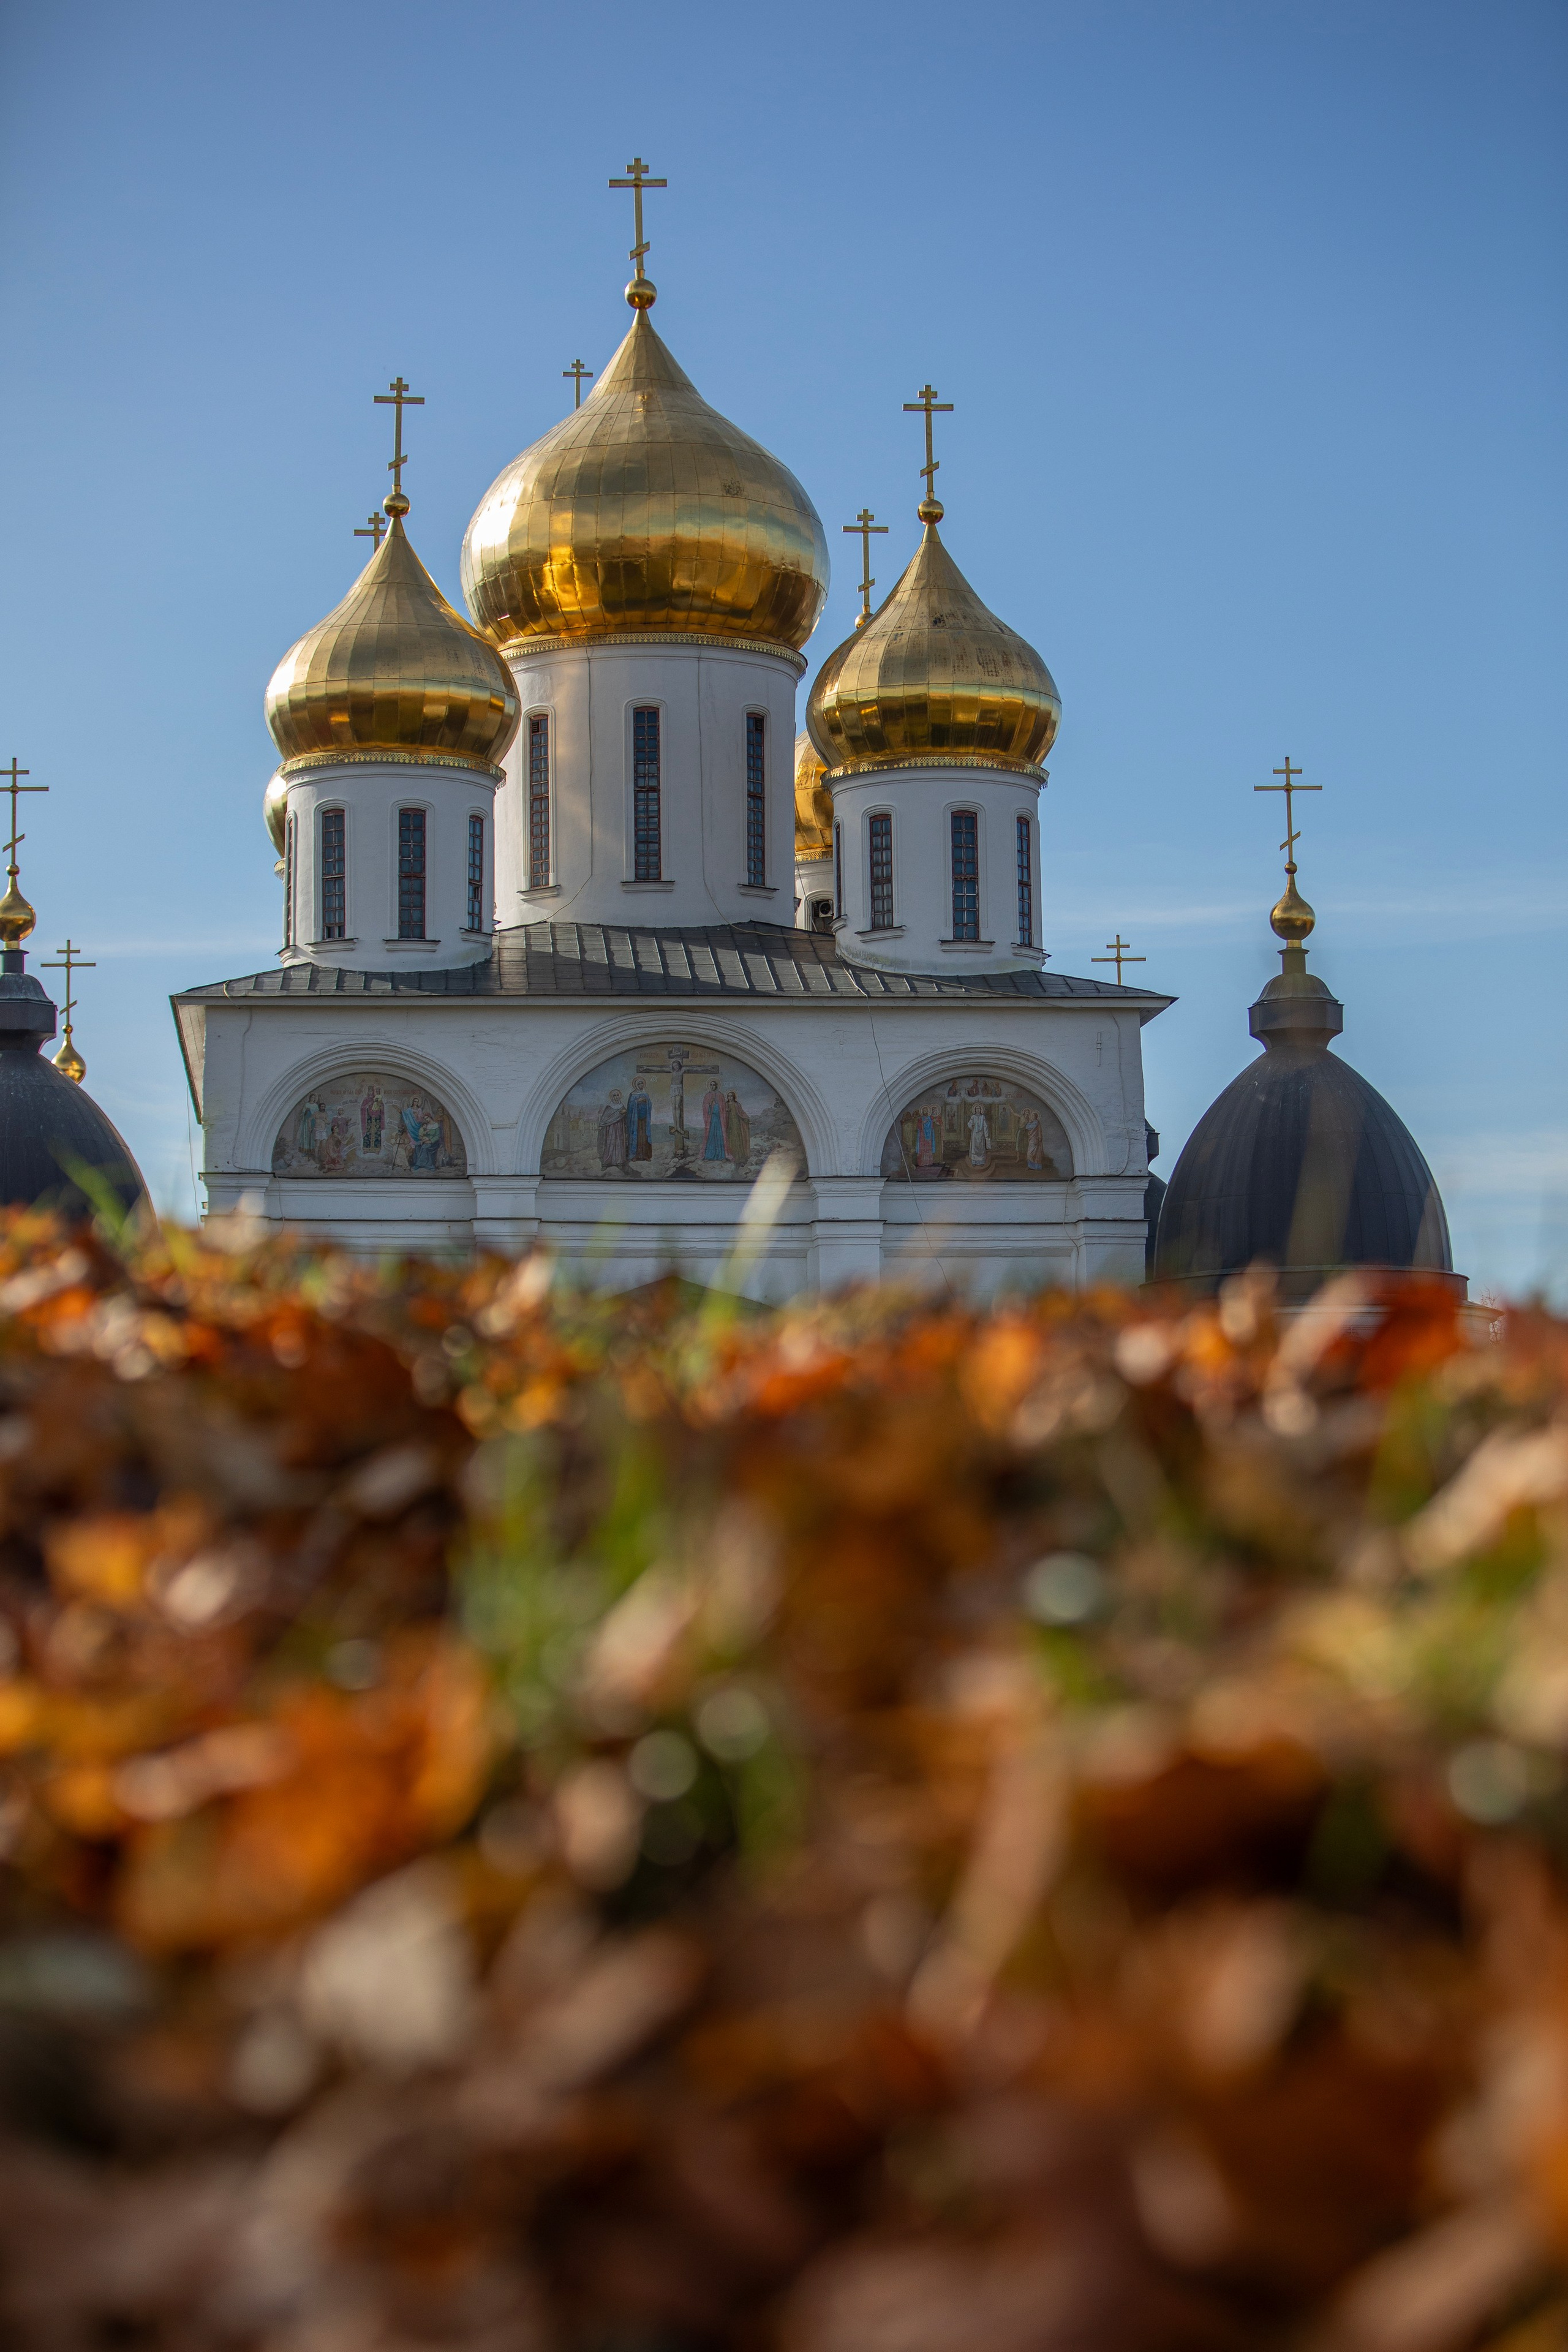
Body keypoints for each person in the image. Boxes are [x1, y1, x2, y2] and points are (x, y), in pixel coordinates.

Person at [598, 1090, 628, 1170]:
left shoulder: (622, 1107)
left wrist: (625, 1113)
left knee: (619, 1143)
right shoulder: (609, 1107)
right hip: (611, 1128)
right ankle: (606, 1162)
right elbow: (604, 1118)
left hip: (620, 1128)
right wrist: (601, 1125)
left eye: (617, 1095)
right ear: (612, 1097)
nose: (616, 1097)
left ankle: (619, 1162)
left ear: (620, 1096)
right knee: (610, 1143)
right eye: (614, 1095)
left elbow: (626, 1118)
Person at [627, 1080, 654, 1161]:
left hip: (645, 1118)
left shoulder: (646, 1094)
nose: (641, 1085)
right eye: (639, 1084)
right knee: (637, 1136)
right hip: (636, 1120)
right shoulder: (633, 1095)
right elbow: (630, 1106)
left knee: (644, 1136)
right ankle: (636, 1155)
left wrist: (647, 1101)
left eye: (642, 1083)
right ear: (636, 1085)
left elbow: (650, 1104)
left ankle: (645, 1155)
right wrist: (637, 1101)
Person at [701, 1080, 728, 1161]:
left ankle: (722, 1156)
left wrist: (716, 1104)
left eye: (714, 1085)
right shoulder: (707, 1096)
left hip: (719, 1120)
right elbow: (704, 1108)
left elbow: (723, 1107)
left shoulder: (720, 1095)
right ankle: (709, 1156)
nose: (712, 1086)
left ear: (716, 1086)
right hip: (711, 1120)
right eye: (711, 1085)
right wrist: (709, 1104)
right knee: (711, 1136)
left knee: (720, 1136)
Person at [724, 1089, 751, 1163]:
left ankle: (739, 1157)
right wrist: (726, 1112)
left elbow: (741, 1113)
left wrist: (746, 1119)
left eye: (731, 1096)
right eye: (729, 1096)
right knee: (730, 1139)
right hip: (729, 1124)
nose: (730, 1097)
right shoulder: (725, 1105)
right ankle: (730, 1156)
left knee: (738, 1139)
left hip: (736, 1124)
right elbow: (722, 1114)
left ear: (734, 1097)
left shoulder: (737, 1105)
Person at [967, 1101, 992, 1171]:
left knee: (981, 1148)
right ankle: (974, 1162)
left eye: (979, 1109)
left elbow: (985, 1126)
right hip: (975, 1134)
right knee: (975, 1148)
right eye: (977, 1109)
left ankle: (981, 1162)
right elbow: (969, 1124)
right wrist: (972, 1126)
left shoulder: (982, 1117)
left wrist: (986, 1135)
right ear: (975, 1110)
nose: (978, 1110)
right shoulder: (973, 1117)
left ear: (981, 1110)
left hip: (981, 1135)